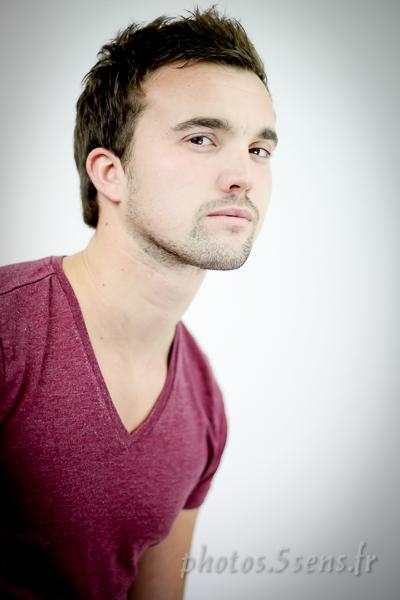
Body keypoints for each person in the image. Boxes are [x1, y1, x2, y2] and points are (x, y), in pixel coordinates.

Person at [0, 7, 277, 599]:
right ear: (110, 173)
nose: (244, 175)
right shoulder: (7, 331)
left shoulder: (204, 407)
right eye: (201, 138)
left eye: (259, 148)